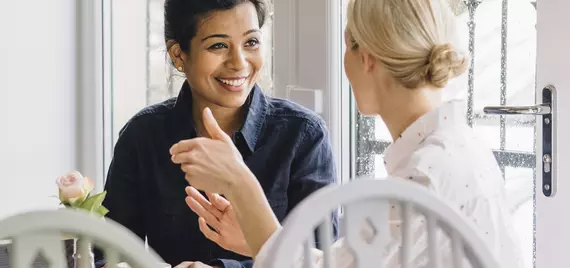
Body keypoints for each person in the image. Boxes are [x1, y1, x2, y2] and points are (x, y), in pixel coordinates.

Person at [169, 0, 523, 267]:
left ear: (364, 56)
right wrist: (255, 239)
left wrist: (239, 182)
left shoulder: (424, 176)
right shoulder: (455, 150)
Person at [97, 0, 339, 267]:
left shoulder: (303, 136)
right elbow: (107, 255)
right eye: (218, 45)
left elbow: (323, 260)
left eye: (251, 43)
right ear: (179, 55)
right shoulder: (142, 137)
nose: (239, 62)